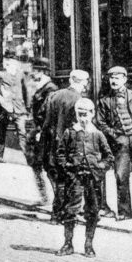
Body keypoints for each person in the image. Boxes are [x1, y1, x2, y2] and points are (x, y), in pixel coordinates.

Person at [55, 98, 113, 257]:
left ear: (93, 114)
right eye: (80, 115)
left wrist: (100, 168)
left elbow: (109, 157)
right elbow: (60, 154)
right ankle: (68, 244)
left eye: (86, 115)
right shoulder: (70, 133)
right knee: (71, 210)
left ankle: (89, 245)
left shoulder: (98, 134)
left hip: (93, 179)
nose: (83, 118)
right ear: (76, 114)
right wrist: (67, 168)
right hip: (75, 179)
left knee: (93, 211)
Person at [96, 65, 132, 221]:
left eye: (117, 77)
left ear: (125, 79)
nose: (114, 81)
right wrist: (114, 135)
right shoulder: (104, 100)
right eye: (111, 78)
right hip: (120, 142)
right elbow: (101, 122)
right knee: (121, 175)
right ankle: (125, 212)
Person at [41, 68, 89, 223]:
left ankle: (56, 215)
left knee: (59, 181)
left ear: (70, 80)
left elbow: (45, 120)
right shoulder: (80, 100)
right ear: (84, 83)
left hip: (52, 144)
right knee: (70, 180)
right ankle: (64, 213)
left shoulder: (54, 96)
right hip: (70, 145)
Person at [27, 57, 58, 206]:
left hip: (44, 133)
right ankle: (45, 198)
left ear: (42, 71)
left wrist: (41, 130)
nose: (32, 73)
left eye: (34, 70)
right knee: (36, 164)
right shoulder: (40, 86)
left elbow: (49, 113)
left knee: (49, 166)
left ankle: (56, 200)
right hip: (38, 131)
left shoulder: (50, 88)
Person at [0, 51, 28, 163]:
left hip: (19, 108)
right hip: (4, 109)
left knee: (23, 133)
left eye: (16, 63)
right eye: (12, 63)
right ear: (7, 64)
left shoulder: (21, 75)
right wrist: (1, 99)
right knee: (1, 131)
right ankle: (0, 156)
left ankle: (28, 159)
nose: (15, 65)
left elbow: (26, 91)